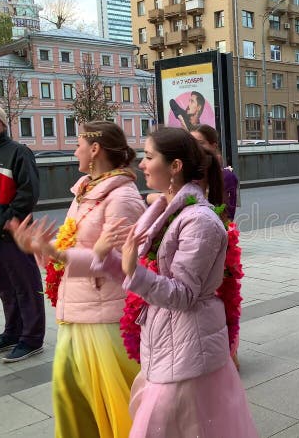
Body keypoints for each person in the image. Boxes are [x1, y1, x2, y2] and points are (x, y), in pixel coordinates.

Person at [92, 127, 257, 437]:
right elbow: (138, 273)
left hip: (189, 346)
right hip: (167, 340)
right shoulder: (159, 211)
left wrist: (133, 271)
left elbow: (184, 294)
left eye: (149, 156)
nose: (141, 163)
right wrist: (105, 258)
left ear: (175, 166)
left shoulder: (200, 221)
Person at [8, 121, 145, 437]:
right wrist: (40, 248)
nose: (75, 150)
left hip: (104, 320)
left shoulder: (122, 198)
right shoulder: (85, 190)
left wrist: (56, 254)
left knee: (116, 405)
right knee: (72, 399)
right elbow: (74, 247)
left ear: (95, 149)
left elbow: (120, 263)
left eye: (79, 143)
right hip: (78, 313)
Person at [0, 103, 45, 363]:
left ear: (3, 123)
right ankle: (12, 332)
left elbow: (29, 191)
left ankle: (31, 339)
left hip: (12, 232)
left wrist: (10, 221)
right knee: (6, 287)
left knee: (26, 285)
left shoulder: (18, 152)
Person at [192, 124, 240, 220]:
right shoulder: (186, 172)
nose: (194, 147)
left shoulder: (226, 176)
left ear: (213, 146)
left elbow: (228, 215)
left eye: (200, 143)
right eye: (191, 143)